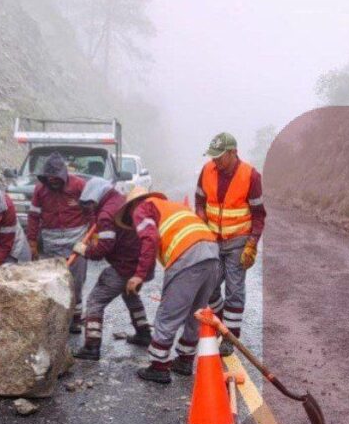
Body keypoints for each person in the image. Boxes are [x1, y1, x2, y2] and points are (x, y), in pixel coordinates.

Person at [116, 187, 220, 384]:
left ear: (132, 205)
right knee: (196, 313)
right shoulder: (170, 207)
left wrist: (138, 275)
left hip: (187, 254)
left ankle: (159, 366)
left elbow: (150, 239)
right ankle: (185, 360)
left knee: (169, 313)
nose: (133, 222)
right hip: (211, 252)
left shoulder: (142, 208)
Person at [195, 132, 266, 356]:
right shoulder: (207, 170)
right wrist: (201, 218)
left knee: (234, 290)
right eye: (213, 156)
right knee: (209, 286)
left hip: (237, 241)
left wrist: (252, 243)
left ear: (233, 152)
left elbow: (259, 214)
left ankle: (230, 337)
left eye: (219, 156)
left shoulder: (250, 176)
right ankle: (221, 323)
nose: (215, 160)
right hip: (212, 240)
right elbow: (199, 200)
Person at [71, 178, 154, 361]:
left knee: (95, 300)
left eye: (90, 203)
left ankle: (92, 346)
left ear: (96, 197)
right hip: (140, 263)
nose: (90, 207)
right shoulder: (120, 200)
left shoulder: (106, 214)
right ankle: (144, 333)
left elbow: (105, 247)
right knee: (130, 294)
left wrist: (85, 251)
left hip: (125, 265)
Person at [26, 152, 91, 333]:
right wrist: (32, 242)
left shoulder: (79, 185)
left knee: (76, 282)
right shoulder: (40, 190)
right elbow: (33, 216)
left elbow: (91, 213)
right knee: (54, 283)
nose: (53, 181)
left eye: (56, 178)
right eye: (50, 178)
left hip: (77, 245)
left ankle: (76, 318)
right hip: (51, 246)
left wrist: (92, 238)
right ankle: (57, 319)